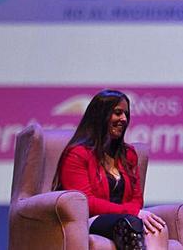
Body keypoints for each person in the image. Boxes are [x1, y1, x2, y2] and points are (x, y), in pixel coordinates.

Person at [54, 89, 174, 250]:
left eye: (126, 114)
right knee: (130, 223)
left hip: (125, 218)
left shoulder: (129, 154)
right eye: (118, 113)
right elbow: (85, 202)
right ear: (101, 116)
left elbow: (136, 199)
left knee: (157, 228)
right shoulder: (77, 154)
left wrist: (132, 212)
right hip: (90, 219)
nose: (124, 119)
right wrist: (131, 212)